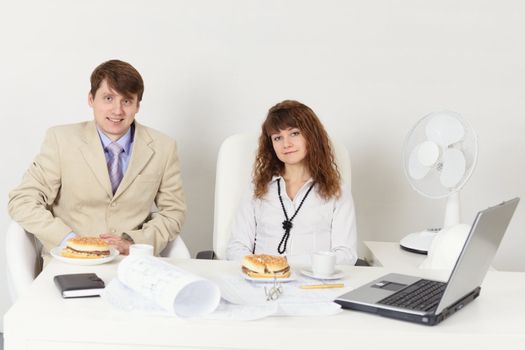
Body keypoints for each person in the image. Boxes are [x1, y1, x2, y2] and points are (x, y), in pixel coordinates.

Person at [8, 59, 186, 257]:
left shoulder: (164, 147)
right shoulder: (61, 140)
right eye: (108, 98)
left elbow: (173, 211)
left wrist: (134, 242)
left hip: (132, 262)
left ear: (137, 106)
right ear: (91, 99)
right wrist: (70, 240)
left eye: (126, 101)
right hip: (71, 260)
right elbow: (22, 200)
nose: (117, 111)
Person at [226, 100, 358, 265]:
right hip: (263, 282)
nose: (286, 144)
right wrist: (264, 268)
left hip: (314, 283)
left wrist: (287, 263)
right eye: (277, 137)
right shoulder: (257, 188)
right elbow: (236, 247)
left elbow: (346, 254)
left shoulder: (336, 190)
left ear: (311, 136)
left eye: (294, 133)